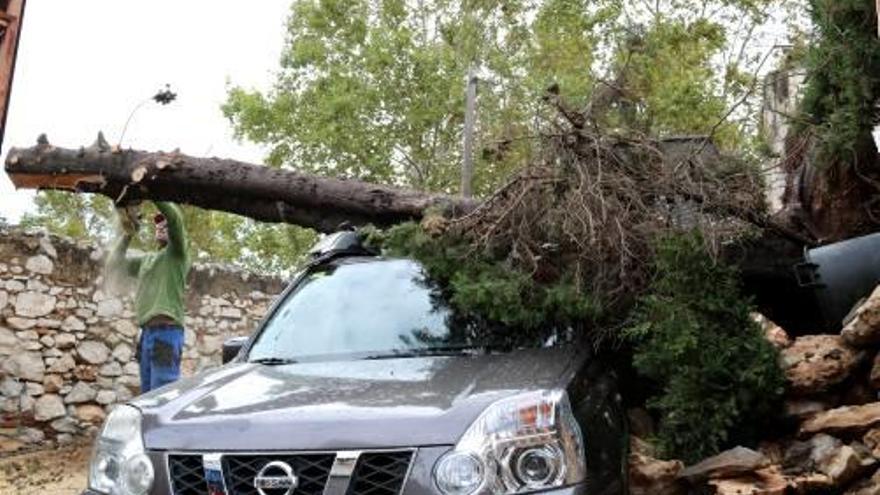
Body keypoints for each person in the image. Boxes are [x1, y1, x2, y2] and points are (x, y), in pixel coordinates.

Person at [107, 201, 191, 393]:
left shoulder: (177, 255)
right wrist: (128, 234)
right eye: (158, 224)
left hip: (166, 334)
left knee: (160, 396)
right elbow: (114, 264)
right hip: (147, 335)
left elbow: (175, 219)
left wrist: (153, 192)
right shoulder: (146, 260)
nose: (161, 226)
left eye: (165, 224)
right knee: (146, 395)